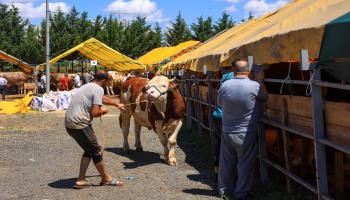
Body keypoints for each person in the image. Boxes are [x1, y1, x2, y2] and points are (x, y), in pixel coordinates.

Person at [65, 70, 125, 189]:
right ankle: (106, 178)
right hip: (80, 124)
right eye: (107, 82)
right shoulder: (99, 89)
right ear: (104, 80)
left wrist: (115, 103)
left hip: (69, 124)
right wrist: (104, 111)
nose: (107, 84)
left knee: (89, 150)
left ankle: (81, 180)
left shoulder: (87, 86)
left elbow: (101, 98)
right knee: (96, 150)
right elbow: (95, 112)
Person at [217, 60, 268, 200]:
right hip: (246, 132)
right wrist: (261, 81)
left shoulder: (224, 86)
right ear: (249, 70)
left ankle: (224, 191)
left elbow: (220, 104)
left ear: (234, 70)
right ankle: (241, 193)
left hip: (227, 130)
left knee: (226, 162)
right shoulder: (254, 86)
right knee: (245, 163)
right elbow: (264, 97)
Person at [211, 70, 234, 180]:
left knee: (219, 145)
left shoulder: (225, 76)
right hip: (232, 117)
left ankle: (218, 172)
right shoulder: (246, 78)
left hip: (219, 115)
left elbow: (219, 101)